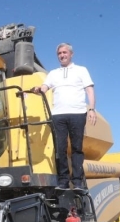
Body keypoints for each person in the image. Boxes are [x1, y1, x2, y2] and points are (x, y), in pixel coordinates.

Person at [30, 43, 96, 189]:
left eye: (64, 52)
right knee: (60, 148)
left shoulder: (81, 70)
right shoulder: (53, 73)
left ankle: (77, 181)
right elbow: (45, 87)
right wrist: (38, 89)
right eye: (59, 53)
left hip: (77, 113)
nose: (62, 55)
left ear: (71, 54)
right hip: (58, 115)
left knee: (76, 147)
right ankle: (63, 181)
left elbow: (89, 90)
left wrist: (91, 109)